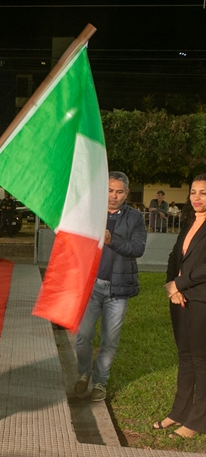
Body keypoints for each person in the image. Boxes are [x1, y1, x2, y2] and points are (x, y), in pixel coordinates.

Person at [74, 171, 147, 402]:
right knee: (83, 336)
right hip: (92, 287)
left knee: (109, 340)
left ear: (126, 193)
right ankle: (85, 373)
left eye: (118, 191)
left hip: (118, 290)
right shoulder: (91, 214)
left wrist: (111, 240)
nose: (113, 196)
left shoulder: (135, 218)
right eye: (109, 190)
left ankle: (100, 382)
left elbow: (138, 248)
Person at [158, 175, 206, 438]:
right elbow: (174, 256)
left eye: (203, 193)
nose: (197, 198)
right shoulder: (190, 224)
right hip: (180, 299)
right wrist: (171, 286)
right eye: (193, 192)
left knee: (201, 361)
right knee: (185, 358)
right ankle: (178, 413)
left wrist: (179, 283)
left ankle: (198, 421)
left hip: (200, 299)